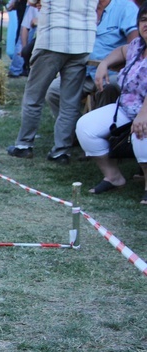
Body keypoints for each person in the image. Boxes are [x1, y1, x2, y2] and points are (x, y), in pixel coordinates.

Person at [7, 0, 98, 164]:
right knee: (70, 102)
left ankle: (23, 145)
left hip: (52, 38)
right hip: (83, 40)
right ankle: (61, 151)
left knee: (34, 96)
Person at [76, 3, 147, 204]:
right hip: (127, 107)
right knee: (85, 127)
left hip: (145, 112)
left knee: (142, 132)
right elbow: (122, 51)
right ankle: (114, 176)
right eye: (143, 19)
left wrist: (143, 113)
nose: (146, 24)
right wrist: (104, 64)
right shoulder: (137, 47)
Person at [46, 0, 138, 122]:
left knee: (108, 89)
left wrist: (113, 65)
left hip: (111, 72)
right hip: (83, 70)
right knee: (54, 91)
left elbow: (134, 47)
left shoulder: (126, 7)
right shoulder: (82, 7)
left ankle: (103, 132)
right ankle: (76, 135)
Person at [8, 0, 39, 78]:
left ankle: (17, 68)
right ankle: (18, 67)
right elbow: (25, 28)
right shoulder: (33, 8)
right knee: (23, 36)